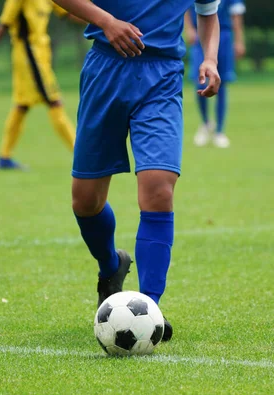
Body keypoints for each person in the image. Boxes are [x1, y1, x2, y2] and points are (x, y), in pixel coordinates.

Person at [52, 0, 221, 341]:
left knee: (159, 190)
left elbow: (208, 14)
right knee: (85, 202)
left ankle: (149, 309)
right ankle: (111, 266)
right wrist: (106, 21)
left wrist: (210, 58)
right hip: (105, 71)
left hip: (162, 77)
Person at [0, 0, 79, 170]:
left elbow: (72, 12)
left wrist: (103, 19)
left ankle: (4, 157)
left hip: (41, 53)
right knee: (54, 101)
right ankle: (80, 154)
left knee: (22, 105)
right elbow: (4, 23)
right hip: (28, 54)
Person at [185, 0, 246, 149]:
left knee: (221, 83)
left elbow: (236, 15)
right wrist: (189, 29)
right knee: (199, 81)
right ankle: (206, 123)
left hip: (223, 35)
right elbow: (185, 6)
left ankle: (220, 131)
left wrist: (239, 41)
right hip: (201, 34)